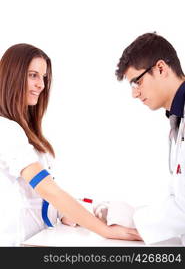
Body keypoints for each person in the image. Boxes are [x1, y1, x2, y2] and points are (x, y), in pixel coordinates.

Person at [0, 43, 141, 246]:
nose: (41, 84)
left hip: (35, 241)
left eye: (43, 77)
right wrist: (106, 231)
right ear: (12, 76)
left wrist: (77, 210)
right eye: (33, 75)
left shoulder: (25, 132)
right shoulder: (6, 130)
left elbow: (37, 197)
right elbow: (47, 189)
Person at [111, 32, 185, 245]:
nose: (135, 94)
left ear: (160, 68)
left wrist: (132, 222)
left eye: (137, 82)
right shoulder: (177, 119)